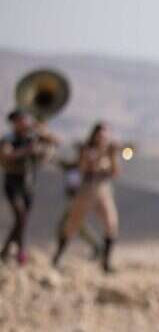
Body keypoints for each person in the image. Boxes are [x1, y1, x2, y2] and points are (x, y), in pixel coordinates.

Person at [53, 122, 122, 272]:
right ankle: (57, 257)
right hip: (86, 191)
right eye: (101, 135)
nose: (103, 138)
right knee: (72, 225)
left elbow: (115, 173)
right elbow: (83, 168)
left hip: (103, 191)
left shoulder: (109, 153)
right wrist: (95, 157)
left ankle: (106, 263)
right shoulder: (87, 150)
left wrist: (113, 156)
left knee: (111, 225)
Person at [1, 109, 58, 265]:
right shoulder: (9, 139)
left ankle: (6, 251)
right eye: (20, 120)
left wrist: (42, 132)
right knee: (21, 216)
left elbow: (54, 143)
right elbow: (6, 155)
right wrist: (26, 150)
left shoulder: (32, 138)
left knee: (22, 220)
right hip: (13, 182)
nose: (24, 123)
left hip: (29, 184)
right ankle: (20, 253)